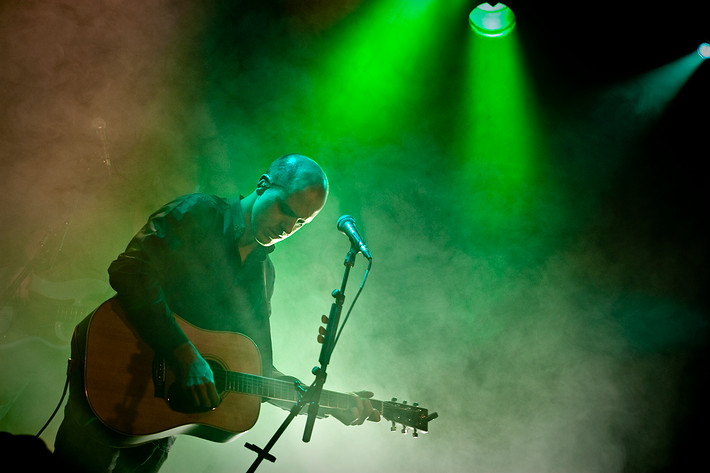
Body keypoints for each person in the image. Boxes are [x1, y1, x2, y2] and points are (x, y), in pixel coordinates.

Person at [53, 153, 380, 472]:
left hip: (164, 417)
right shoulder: (198, 213)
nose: (287, 227)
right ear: (264, 184)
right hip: (115, 369)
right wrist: (185, 356)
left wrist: (325, 403)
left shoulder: (264, 276)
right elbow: (130, 272)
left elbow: (261, 371)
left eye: (300, 223)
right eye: (285, 210)